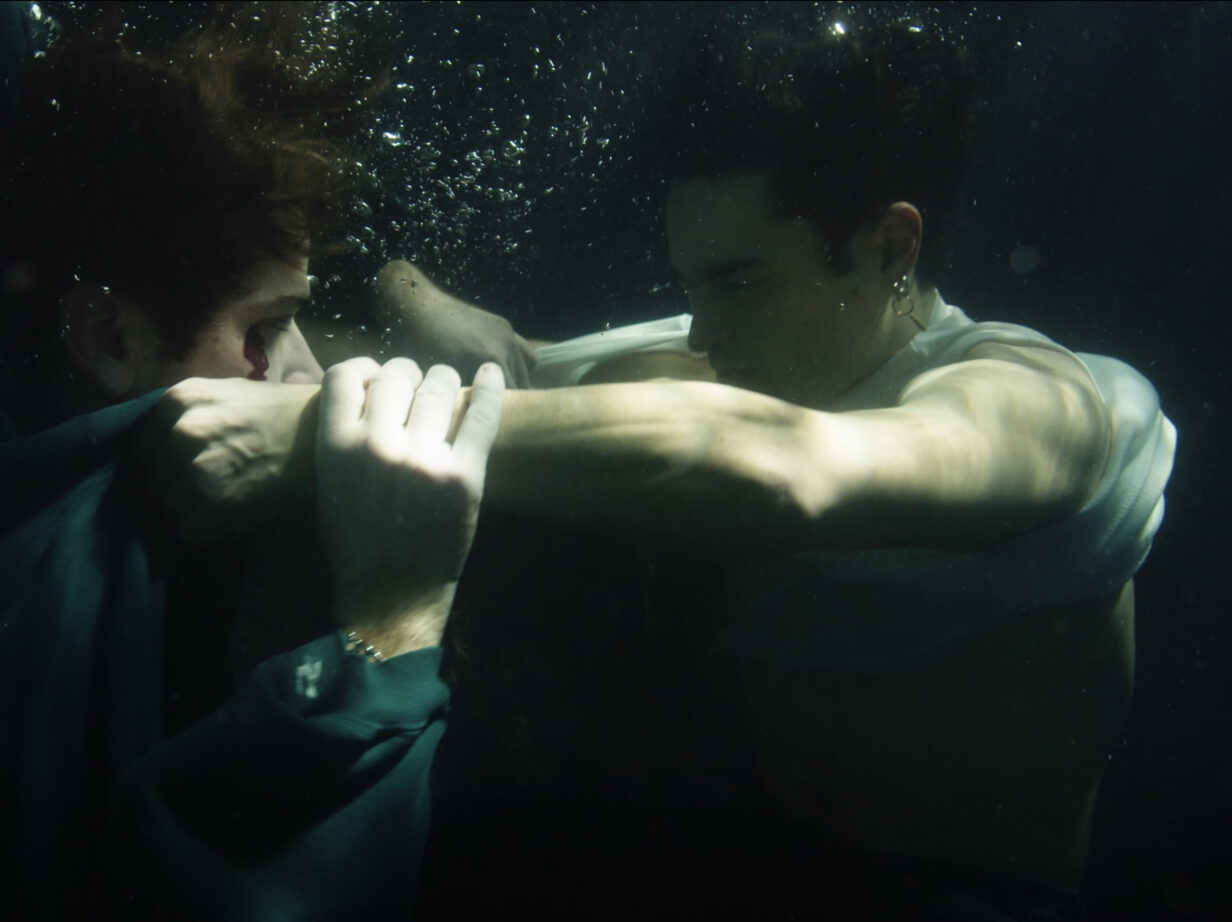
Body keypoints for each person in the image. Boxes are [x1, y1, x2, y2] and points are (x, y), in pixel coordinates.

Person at [147, 14, 1177, 920]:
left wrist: (311, 437)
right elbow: (512, 366)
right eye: (691, 284)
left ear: (890, 248)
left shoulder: (1047, 403)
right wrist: (404, 286)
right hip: (748, 857)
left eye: (739, 281)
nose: (703, 331)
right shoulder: (710, 357)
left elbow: (784, 470)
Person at [0, 3, 506, 919]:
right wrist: (393, 616)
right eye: (268, 329)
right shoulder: (3, 636)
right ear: (109, 337)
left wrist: (401, 290)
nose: (308, 373)